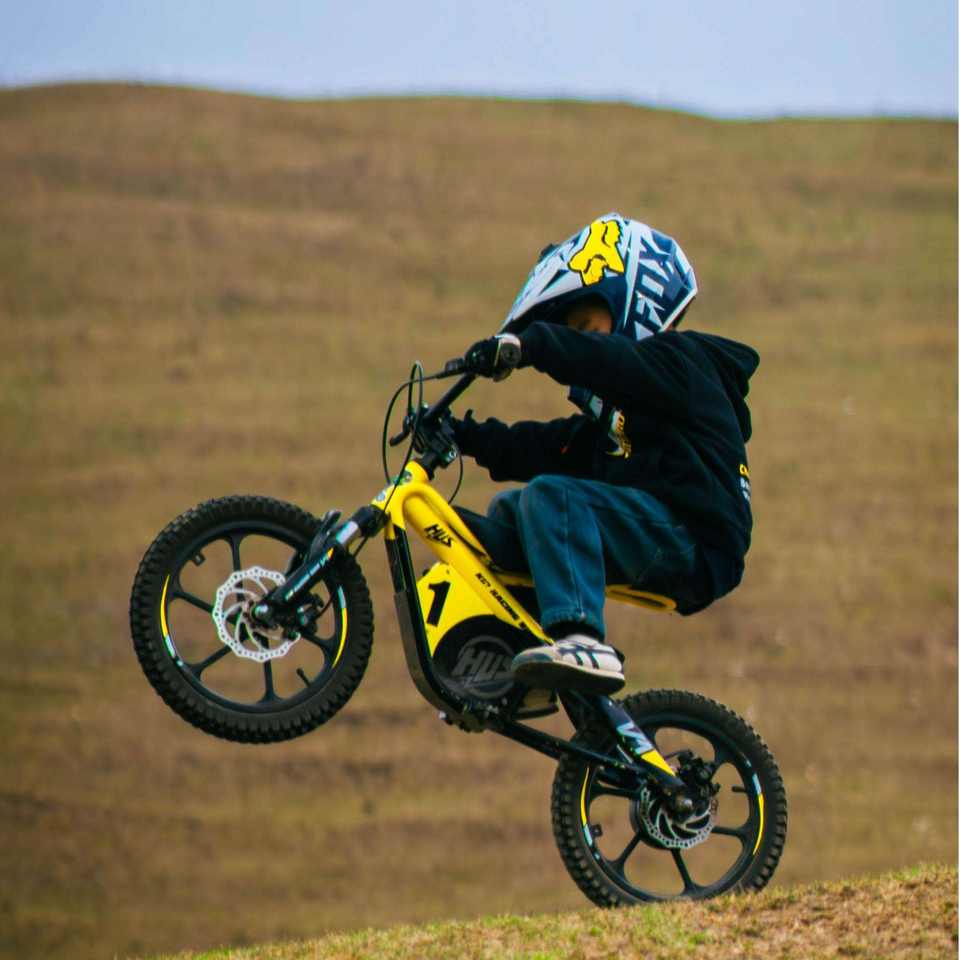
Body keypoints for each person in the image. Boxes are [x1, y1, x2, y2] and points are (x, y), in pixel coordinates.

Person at [448, 213, 759, 696]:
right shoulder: (626, 419)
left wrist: (531, 345)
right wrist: (464, 436)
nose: (581, 342)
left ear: (633, 305)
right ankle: (509, 660)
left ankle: (582, 640)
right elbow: (555, 447)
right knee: (513, 511)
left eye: (586, 328)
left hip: (694, 538)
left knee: (554, 499)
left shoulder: (679, 363)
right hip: (658, 528)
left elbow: (606, 360)